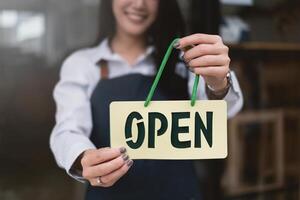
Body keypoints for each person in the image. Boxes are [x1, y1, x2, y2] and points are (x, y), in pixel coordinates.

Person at [50, 0, 243, 199]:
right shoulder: (83, 64)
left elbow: (227, 111)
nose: (139, 4)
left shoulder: (185, 60)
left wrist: (219, 82)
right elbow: (68, 130)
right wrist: (83, 158)